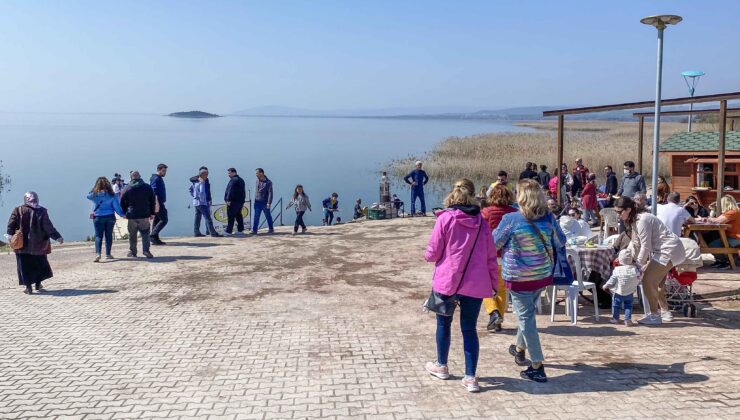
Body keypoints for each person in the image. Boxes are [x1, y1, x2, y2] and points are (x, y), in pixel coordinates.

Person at [424, 178, 497, 393]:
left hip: (448, 282)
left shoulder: (445, 218)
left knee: (443, 325)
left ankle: (441, 365)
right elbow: (490, 256)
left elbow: (434, 252)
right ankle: (471, 377)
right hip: (475, 284)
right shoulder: (482, 223)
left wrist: (427, 255)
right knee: (469, 329)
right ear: (473, 195)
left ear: (453, 194)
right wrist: (493, 283)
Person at [494, 179, 566, 383]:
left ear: (521, 196)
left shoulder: (511, 219)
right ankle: (519, 348)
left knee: (526, 318)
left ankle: (537, 365)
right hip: (542, 274)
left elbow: (494, 243)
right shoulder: (548, 218)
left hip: (518, 277)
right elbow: (561, 241)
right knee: (528, 314)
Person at [615, 197, 685, 325]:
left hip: (669, 250)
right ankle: (663, 312)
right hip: (662, 251)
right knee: (656, 283)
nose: (619, 215)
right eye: (617, 212)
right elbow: (635, 243)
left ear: (629, 209)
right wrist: (624, 257)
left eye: (620, 212)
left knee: (647, 279)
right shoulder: (634, 221)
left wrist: (638, 265)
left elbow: (645, 246)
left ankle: (654, 315)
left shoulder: (642, 220)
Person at [6, 192, 64, 294]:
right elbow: (48, 227)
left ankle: (28, 287)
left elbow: (11, 225)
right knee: (39, 264)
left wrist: (10, 237)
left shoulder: (18, 210)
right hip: (39, 244)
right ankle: (38, 283)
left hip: (22, 245)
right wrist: (57, 237)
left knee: (24, 266)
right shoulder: (41, 211)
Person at [481, 184, 516, 332]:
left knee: (485, 287)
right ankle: (498, 320)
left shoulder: (486, 212)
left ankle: (493, 312)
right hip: (508, 256)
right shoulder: (515, 213)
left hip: (489, 255)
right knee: (502, 289)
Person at [86, 177, 124, 262]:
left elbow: (88, 195)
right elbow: (117, 207)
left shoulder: (94, 195)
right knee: (108, 235)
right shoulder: (112, 195)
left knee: (98, 236)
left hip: (98, 217)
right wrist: (122, 215)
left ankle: (98, 254)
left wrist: (94, 189)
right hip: (110, 217)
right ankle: (108, 254)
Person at [603, 245, 642, 327]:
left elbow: (612, 279)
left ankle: (615, 318)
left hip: (618, 292)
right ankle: (627, 319)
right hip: (630, 292)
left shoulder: (617, 270)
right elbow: (639, 276)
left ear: (619, 260)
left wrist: (606, 285)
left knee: (616, 305)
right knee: (628, 306)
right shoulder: (634, 269)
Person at [121, 171, 156, 258]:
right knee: (145, 233)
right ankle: (146, 251)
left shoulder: (127, 188)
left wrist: (125, 212)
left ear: (131, 177)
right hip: (144, 214)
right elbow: (152, 201)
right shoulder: (147, 187)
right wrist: (152, 213)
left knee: (132, 234)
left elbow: (122, 202)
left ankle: (133, 252)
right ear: (140, 176)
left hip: (132, 215)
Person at [700, 195, 740, 269]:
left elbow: (718, 220)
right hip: (734, 236)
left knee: (713, 244)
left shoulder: (732, 212)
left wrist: (708, 218)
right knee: (713, 236)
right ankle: (721, 260)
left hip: (736, 238)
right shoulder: (735, 211)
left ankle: (726, 262)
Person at [190, 168, 220, 237]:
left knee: (197, 218)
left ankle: (196, 232)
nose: (207, 175)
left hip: (196, 203)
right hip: (202, 203)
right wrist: (203, 200)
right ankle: (213, 233)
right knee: (208, 218)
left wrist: (194, 197)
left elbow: (190, 189)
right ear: (203, 175)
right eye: (207, 174)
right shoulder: (202, 182)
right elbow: (202, 192)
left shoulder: (195, 182)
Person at [224, 168, 246, 235]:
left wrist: (228, 200)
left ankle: (229, 231)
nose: (228, 175)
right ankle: (240, 230)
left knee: (231, 216)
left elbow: (230, 191)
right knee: (239, 215)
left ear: (234, 173)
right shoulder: (241, 180)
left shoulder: (233, 180)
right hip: (240, 202)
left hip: (233, 202)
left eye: (229, 173)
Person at [150, 163, 168, 245]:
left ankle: (155, 238)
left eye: (165, 171)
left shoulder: (158, 178)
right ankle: (153, 235)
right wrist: (156, 204)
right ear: (159, 170)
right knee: (164, 220)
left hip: (159, 202)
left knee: (157, 220)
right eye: (163, 171)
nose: (165, 172)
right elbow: (153, 192)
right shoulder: (156, 179)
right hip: (158, 203)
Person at [252, 168, 274, 234]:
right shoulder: (257, 181)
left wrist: (269, 203)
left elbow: (270, 193)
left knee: (268, 216)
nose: (256, 174)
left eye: (257, 173)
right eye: (256, 173)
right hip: (257, 202)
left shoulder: (268, 182)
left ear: (261, 173)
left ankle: (271, 228)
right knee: (256, 216)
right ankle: (254, 230)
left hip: (265, 202)